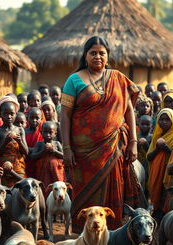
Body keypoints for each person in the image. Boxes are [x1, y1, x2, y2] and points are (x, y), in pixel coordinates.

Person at [61, 36, 142, 233]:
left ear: (107, 56)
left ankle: (111, 236)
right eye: (93, 53)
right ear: (85, 56)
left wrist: (133, 141)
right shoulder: (74, 80)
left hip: (113, 149)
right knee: (84, 198)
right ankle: (83, 240)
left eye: (102, 53)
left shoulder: (118, 78)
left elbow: (129, 110)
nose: (98, 56)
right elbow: (65, 115)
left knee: (113, 195)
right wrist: (66, 148)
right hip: (83, 154)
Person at [147, 108, 173, 220]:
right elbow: (149, 157)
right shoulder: (157, 135)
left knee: (166, 193)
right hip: (156, 170)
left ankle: (165, 216)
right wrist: (157, 149)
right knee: (157, 191)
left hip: (169, 170)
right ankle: (156, 212)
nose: (164, 122)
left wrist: (165, 148)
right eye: (161, 119)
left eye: (167, 119)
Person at [0, 96, 28, 187]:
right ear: (0, 114)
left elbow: (26, 152)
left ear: (16, 114)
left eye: (12, 114)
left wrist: (19, 142)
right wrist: (5, 142)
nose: (9, 117)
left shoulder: (20, 130)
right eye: (5, 114)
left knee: (19, 193)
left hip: (18, 169)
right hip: (3, 169)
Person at [30, 121, 65, 198]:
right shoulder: (39, 144)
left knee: (58, 188)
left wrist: (54, 151)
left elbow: (63, 156)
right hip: (43, 173)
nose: (48, 135)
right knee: (44, 190)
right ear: (41, 132)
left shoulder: (57, 144)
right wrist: (43, 151)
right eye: (45, 132)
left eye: (50, 132)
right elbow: (32, 156)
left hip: (56, 173)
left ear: (55, 134)